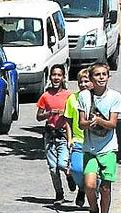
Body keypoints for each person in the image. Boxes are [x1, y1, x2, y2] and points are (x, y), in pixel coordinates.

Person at [77, 63, 121, 213]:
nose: (101, 77)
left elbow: (112, 124)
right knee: (89, 184)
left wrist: (99, 121)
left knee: (105, 188)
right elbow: (81, 123)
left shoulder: (114, 96)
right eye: (97, 75)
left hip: (108, 148)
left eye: (104, 74)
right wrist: (90, 123)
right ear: (91, 78)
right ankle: (93, 210)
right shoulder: (84, 97)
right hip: (90, 148)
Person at [36, 64, 74, 205]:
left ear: (63, 77)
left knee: (62, 164)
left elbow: (74, 115)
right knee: (53, 168)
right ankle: (59, 194)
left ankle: (69, 174)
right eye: (54, 75)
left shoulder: (69, 96)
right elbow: (39, 116)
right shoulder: (45, 96)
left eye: (59, 75)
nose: (56, 78)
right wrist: (49, 113)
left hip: (64, 134)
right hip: (50, 134)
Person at [63, 68, 92, 207]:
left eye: (86, 81)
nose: (83, 84)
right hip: (78, 140)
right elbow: (68, 120)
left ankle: (90, 194)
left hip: (94, 142)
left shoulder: (96, 97)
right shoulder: (72, 98)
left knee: (93, 172)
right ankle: (82, 188)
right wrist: (69, 138)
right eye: (81, 82)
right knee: (76, 169)